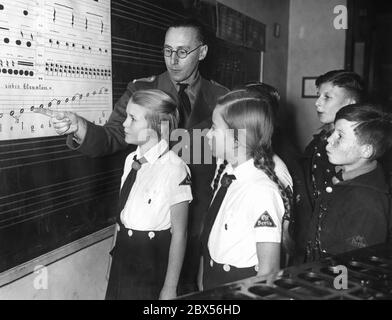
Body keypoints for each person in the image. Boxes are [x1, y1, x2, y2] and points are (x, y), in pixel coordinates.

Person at [51, 17, 229, 294]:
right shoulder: (141, 90)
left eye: (183, 51)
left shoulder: (222, 98)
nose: (173, 60)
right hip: (149, 223)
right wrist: (80, 128)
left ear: (202, 53)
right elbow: (112, 136)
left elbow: (230, 159)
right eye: (167, 50)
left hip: (197, 221)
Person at [198, 88, 293, 290]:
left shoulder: (262, 191)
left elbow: (268, 271)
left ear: (237, 139)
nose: (208, 133)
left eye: (214, 127)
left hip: (241, 286)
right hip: (213, 280)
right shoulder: (228, 175)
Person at [105, 89, 192, 300]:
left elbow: (180, 234)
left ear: (155, 127)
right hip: (123, 259)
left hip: (151, 265)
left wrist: (169, 289)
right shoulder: (130, 161)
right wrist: (111, 265)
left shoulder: (175, 168)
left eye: (133, 119)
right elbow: (122, 218)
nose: (124, 124)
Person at [301, 103, 392, 261]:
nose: (329, 139)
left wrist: (334, 286)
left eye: (340, 136)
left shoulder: (367, 201)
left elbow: (354, 268)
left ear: (366, 150)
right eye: (332, 132)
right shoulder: (342, 178)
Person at [294, 70, 365, 263]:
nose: (317, 103)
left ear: (350, 104)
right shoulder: (318, 142)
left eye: (327, 97)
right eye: (318, 96)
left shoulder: (352, 152)